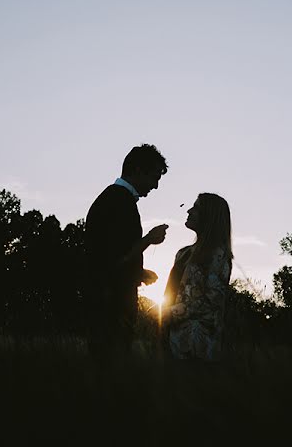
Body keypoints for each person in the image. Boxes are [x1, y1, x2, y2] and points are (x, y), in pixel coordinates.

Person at [84, 144, 169, 366]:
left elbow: (109, 256)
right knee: (111, 368)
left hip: (105, 303)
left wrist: (138, 272)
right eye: (154, 176)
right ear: (138, 170)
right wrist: (149, 239)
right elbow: (117, 257)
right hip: (110, 307)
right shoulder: (119, 202)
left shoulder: (114, 199)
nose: (156, 186)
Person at [160, 193, 233, 362]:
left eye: (197, 208)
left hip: (198, 347)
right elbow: (170, 292)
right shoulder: (183, 253)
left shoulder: (219, 256)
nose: (189, 211)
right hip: (170, 340)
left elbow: (210, 302)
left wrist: (168, 314)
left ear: (209, 217)